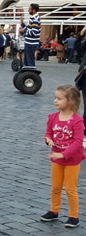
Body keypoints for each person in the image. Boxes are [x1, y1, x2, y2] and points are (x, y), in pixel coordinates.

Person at [41, 85, 85, 228]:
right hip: (56, 158)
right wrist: (48, 139)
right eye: (55, 98)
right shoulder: (53, 117)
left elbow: (78, 142)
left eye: (59, 99)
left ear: (70, 101)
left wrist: (63, 154)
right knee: (55, 187)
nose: (55, 101)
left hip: (72, 160)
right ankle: (54, 211)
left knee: (70, 189)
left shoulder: (77, 121)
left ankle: (74, 216)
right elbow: (49, 133)